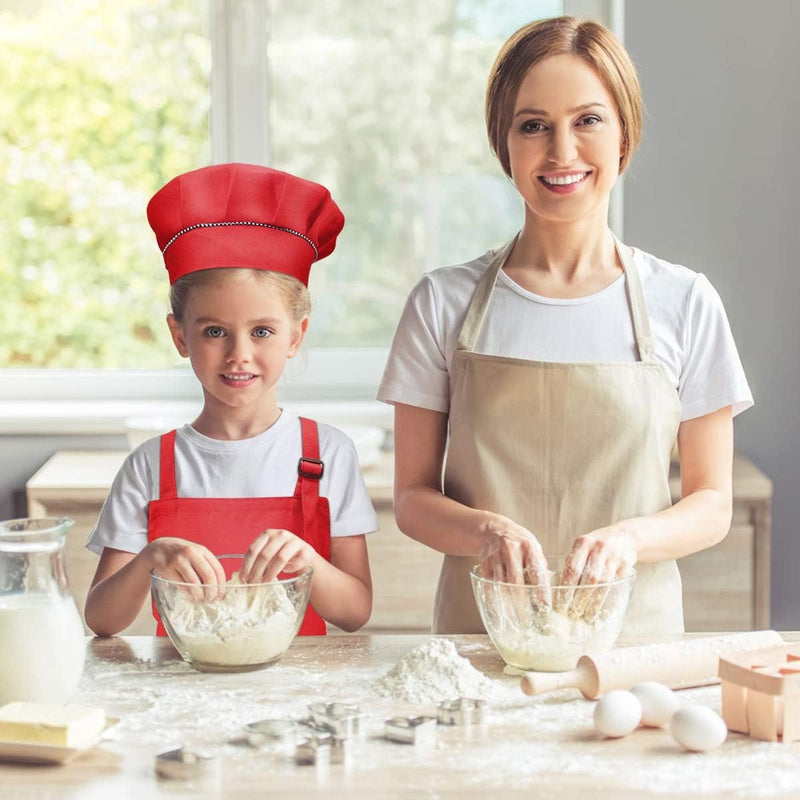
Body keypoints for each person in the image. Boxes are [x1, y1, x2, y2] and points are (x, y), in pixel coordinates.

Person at [378, 16, 753, 635]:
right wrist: (485, 530)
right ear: (505, 147)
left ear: (625, 137)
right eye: (533, 126)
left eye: (588, 120)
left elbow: (711, 505)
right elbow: (413, 499)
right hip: (481, 646)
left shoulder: (685, 300)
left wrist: (629, 541)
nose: (561, 151)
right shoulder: (441, 302)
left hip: (634, 649)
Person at [85, 163, 375, 637]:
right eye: (214, 331)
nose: (239, 355)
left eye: (262, 331)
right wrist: (150, 559)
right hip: (183, 686)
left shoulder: (326, 454)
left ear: (296, 336)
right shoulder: (151, 465)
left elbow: (355, 611)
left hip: (297, 687)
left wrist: (307, 560)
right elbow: (101, 621)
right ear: (180, 335)